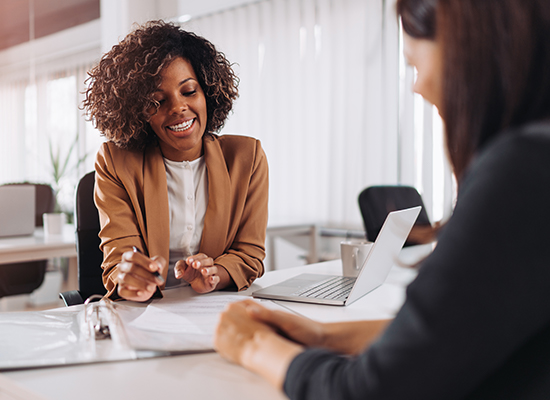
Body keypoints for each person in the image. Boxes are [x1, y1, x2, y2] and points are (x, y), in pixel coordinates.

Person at [214, 0, 550, 398]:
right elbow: (459, 335)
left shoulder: (523, 169)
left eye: (413, 64)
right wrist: (323, 334)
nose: (417, 85)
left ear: (469, 50)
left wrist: (252, 345)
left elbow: (374, 391)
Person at [82, 21, 268, 302]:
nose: (178, 108)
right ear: (138, 113)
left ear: (207, 92)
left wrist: (215, 275)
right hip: (145, 315)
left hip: (215, 310)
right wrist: (130, 278)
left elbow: (249, 254)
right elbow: (119, 258)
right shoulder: (115, 162)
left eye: (189, 91)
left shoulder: (247, 157)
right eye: (157, 101)